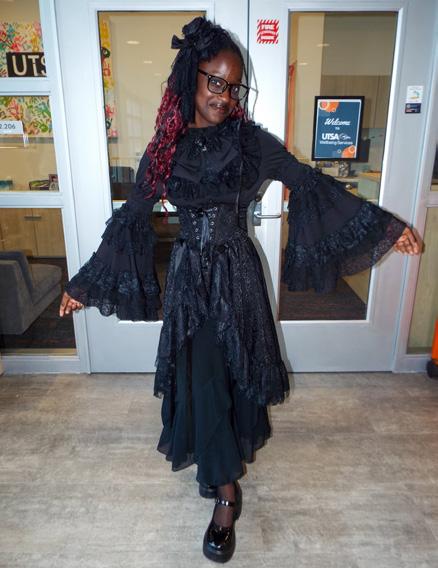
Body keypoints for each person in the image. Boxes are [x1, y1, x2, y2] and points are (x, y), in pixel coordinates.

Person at [59, 16, 420, 563]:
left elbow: (310, 183)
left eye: (233, 87)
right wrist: (86, 283)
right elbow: (130, 218)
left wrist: (384, 227)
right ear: (190, 77)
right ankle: (226, 494)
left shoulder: (251, 144)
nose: (224, 97)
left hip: (238, 275)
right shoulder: (164, 149)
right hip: (190, 280)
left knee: (232, 373)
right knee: (203, 376)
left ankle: (220, 464)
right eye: (215, 82)